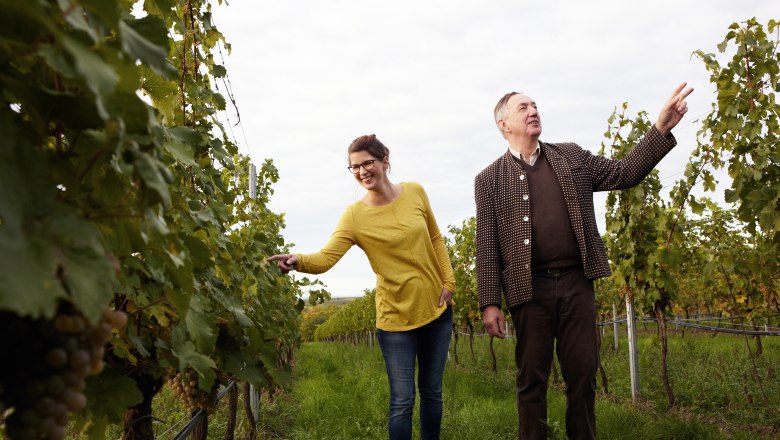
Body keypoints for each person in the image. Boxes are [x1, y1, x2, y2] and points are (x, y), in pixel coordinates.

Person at [474, 83, 694, 439]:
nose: (533, 111)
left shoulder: (571, 157)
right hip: (528, 290)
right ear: (504, 124)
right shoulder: (488, 180)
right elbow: (486, 246)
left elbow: (624, 173)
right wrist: (489, 302)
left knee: (583, 376)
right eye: (523, 108)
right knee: (531, 380)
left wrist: (661, 129)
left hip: (577, 282)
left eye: (535, 105)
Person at [268, 134, 456, 440]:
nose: (361, 171)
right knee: (403, 401)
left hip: (436, 310)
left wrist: (449, 282)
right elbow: (326, 258)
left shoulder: (415, 192)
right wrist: (297, 260)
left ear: (384, 160)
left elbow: (436, 238)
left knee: (433, 394)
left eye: (367, 162)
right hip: (395, 319)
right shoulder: (354, 216)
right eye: (354, 167)